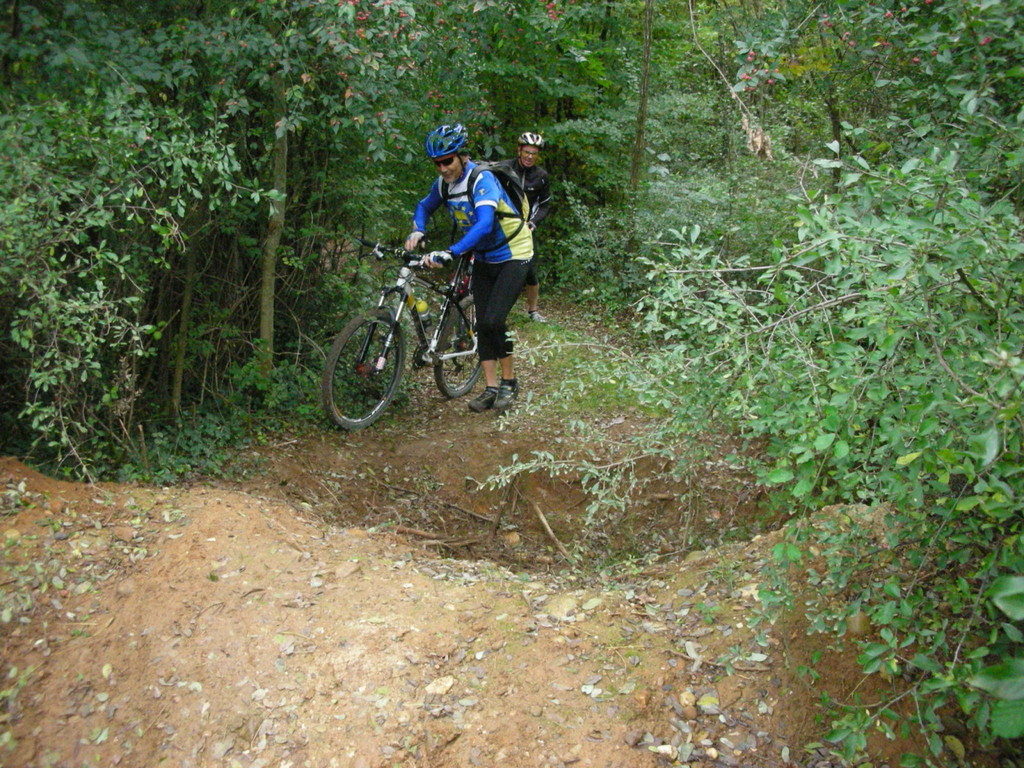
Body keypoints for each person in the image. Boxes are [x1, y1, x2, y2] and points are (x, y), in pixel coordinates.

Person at [405, 124, 534, 413]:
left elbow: (485, 224)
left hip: (514, 253)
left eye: (447, 161)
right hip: (484, 256)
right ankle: (490, 388)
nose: (442, 169)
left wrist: (451, 252)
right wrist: (418, 229)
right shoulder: (444, 184)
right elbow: (424, 206)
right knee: (481, 323)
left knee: (493, 321)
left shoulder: (482, 179)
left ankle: (509, 382)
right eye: (437, 163)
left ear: (462, 156)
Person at [504, 131, 551, 322]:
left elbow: (545, 204)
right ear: (519, 150)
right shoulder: (504, 168)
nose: (530, 157)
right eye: (527, 152)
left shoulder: (541, 176)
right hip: (502, 226)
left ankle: (533, 310)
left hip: (525, 228)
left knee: (530, 271)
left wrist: (533, 222)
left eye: (534, 153)